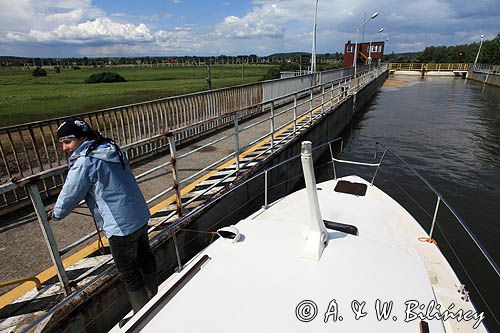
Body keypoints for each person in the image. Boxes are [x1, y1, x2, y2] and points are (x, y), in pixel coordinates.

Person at [52, 117, 157, 322]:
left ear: (82, 138)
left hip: (120, 225)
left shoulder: (85, 161)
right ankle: (155, 297)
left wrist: (55, 214)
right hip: (139, 214)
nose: (64, 148)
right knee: (145, 257)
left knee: (128, 271)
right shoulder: (109, 147)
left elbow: (69, 196)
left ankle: (143, 317)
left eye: (67, 142)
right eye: (62, 143)